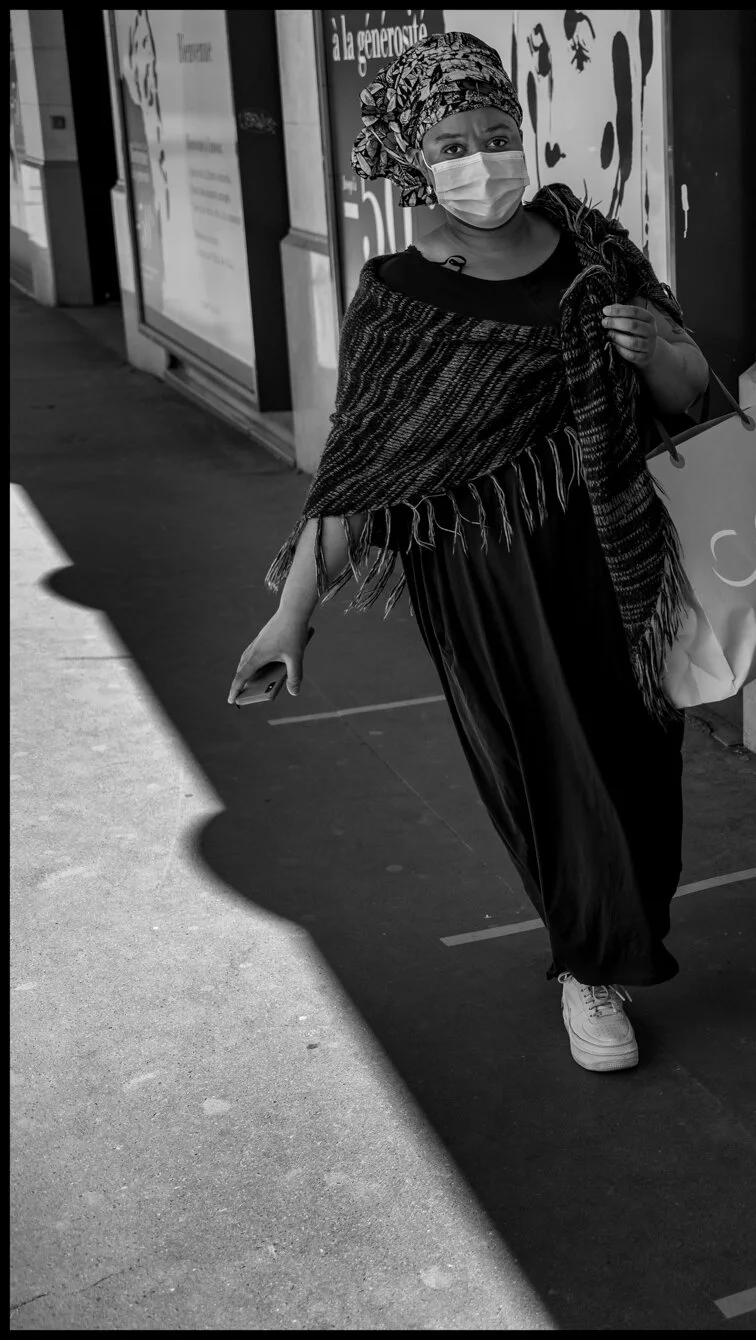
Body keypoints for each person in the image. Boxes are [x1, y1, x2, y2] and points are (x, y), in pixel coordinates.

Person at [227, 32, 712, 1074]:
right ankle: (592, 967)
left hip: (618, 553)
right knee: (554, 766)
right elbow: (361, 471)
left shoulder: (594, 246)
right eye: (454, 140)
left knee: (639, 763)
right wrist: (291, 612)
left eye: (500, 133)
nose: (484, 158)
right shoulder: (399, 294)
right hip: (487, 574)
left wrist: (664, 350)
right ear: (411, 155)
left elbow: (690, 399)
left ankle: (617, 932)